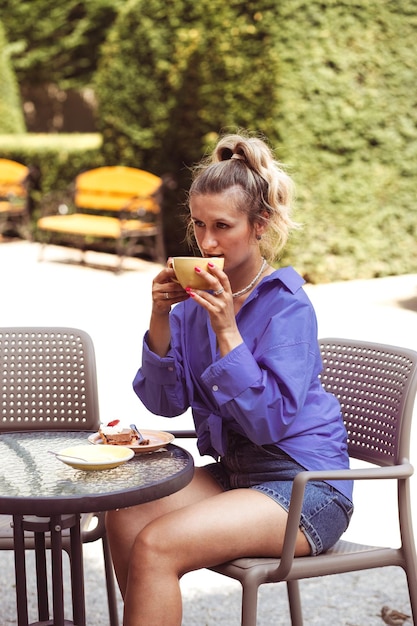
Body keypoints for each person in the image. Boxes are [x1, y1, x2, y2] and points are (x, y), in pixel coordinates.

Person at [106, 132, 353, 626]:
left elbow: (268, 425)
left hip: (307, 487)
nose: (208, 242)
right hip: (238, 477)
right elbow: (165, 403)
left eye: (223, 226)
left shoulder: (287, 306)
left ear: (259, 225)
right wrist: (160, 318)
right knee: (125, 513)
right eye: (199, 225)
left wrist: (227, 330)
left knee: (158, 545)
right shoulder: (194, 305)